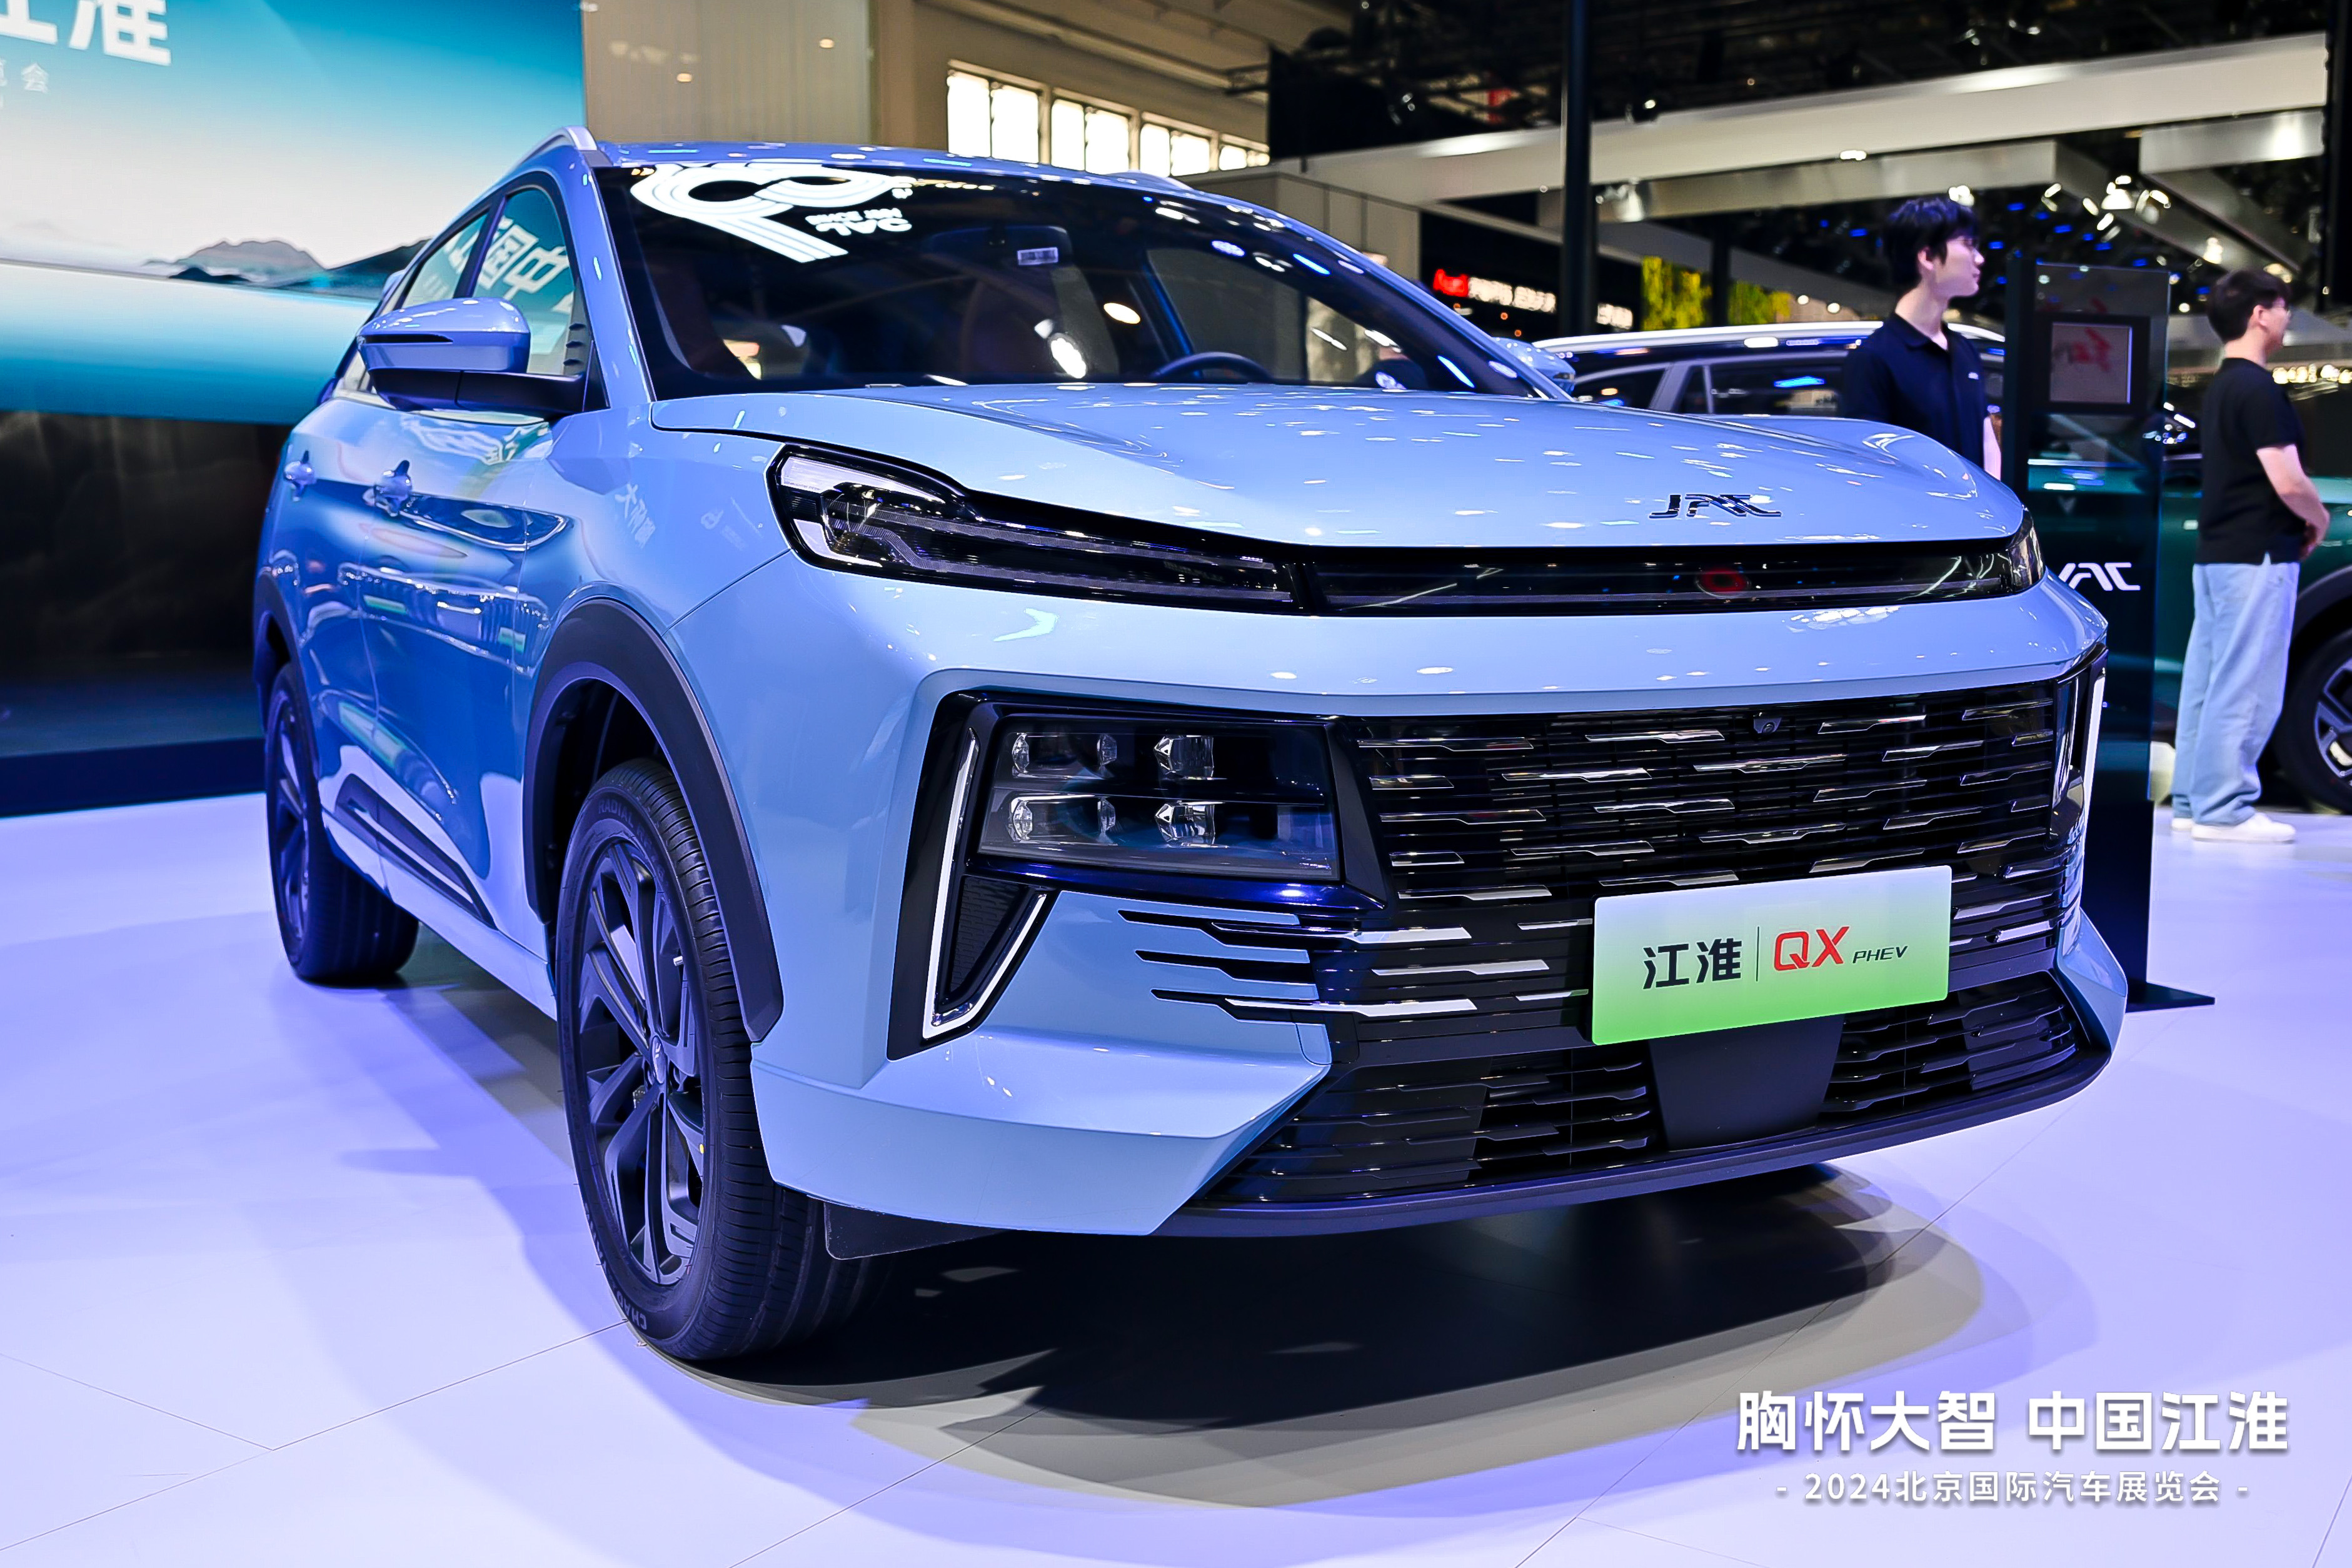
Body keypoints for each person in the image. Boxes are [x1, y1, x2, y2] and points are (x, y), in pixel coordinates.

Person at [2170, 269, 2329, 843]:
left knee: (2209, 681)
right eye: (2284, 308)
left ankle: (2194, 800)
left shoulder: (2221, 387)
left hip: (2218, 554)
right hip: (2257, 554)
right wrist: (2319, 517)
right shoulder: (2260, 390)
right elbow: (2287, 480)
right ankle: (2225, 807)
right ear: (2260, 314)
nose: (2287, 319)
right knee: (2247, 681)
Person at [1842, 196, 2001, 477]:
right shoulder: (1873, 360)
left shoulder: (1965, 351)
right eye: (1968, 244)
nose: (1980, 258)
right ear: (1927, 257)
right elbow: (1866, 469)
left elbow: (1985, 441)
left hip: (1977, 506)